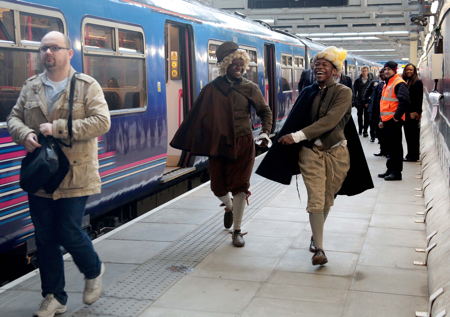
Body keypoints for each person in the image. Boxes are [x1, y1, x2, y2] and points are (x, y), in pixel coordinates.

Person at [7, 31, 111, 317]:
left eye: (54, 48)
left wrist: (59, 129)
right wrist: (24, 132)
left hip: (76, 174)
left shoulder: (87, 86)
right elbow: (13, 117)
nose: (48, 53)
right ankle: (54, 297)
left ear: (69, 53)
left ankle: (93, 269)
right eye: (43, 49)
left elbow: (102, 122)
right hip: (41, 175)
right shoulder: (31, 87)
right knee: (45, 238)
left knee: (68, 229)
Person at [256, 46, 373, 266]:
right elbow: (296, 118)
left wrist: (297, 135)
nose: (318, 69)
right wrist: (293, 137)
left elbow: (330, 120)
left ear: (335, 70)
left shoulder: (343, 92)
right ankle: (319, 248)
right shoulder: (308, 92)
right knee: (316, 198)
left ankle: (315, 233)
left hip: (337, 153)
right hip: (310, 153)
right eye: (316, 65)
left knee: (328, 196)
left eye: (324, 65)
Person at [170, 41, 272, 247]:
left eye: (241, 64)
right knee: (217, 187)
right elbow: (198, 117)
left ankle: (237, 230)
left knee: (241, 186)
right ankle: (230, 207)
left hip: (243, 142)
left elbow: (265, 111)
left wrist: (265, 133)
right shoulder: (211, 89)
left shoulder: (250, 88)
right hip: (219, 144)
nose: (239, 68)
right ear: (225, 65)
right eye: (234, 64)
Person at [377, 61, 410, 181]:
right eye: (385, 69)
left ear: (394, 70)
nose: (386, 71)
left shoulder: (399, 83)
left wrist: (396, 117)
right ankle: (390, 169)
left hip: (394, 121)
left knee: (395, 147)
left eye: (389, 69)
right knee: (390, 147)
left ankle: (396, 173)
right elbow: (385, 103)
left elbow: (405, 101)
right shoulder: (388, 83)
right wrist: (382, 119)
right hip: (387, 120)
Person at [402, 63, 423, 162]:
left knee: (413, 135)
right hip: (407, 113)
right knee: (408, 135)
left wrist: (416, 112)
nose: (408, 71)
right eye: (407, 70)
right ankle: (410, 154)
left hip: (412, 113)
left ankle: (413, 156)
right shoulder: (407, 81)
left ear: (414, 71)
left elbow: (419, 99)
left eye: (411, 70)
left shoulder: (417, 82)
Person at [364, 69, 385, 144]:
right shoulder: (374, 82)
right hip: (373, 106)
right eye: (381, 73)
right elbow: (367, 92)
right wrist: (366, 101)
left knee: (380, 123)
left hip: (382, 107)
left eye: (383, 73)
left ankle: (379, 138)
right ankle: (372, 136)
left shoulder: (388, 83)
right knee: (372, 122)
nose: (382, 74)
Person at [353, 66, 372, 137]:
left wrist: (369, 101)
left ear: (368, 72)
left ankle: (365, 131)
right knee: (359, 116)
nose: (364, 72)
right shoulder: (357, 81)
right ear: (361, 72)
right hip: (359, 101)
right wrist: (355, 101)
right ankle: (360, 129)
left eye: (365, 71)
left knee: (367, 117)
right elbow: (354, 91)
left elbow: (372, 92)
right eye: (363, 71)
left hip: (367, 102)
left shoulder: (371, 81)